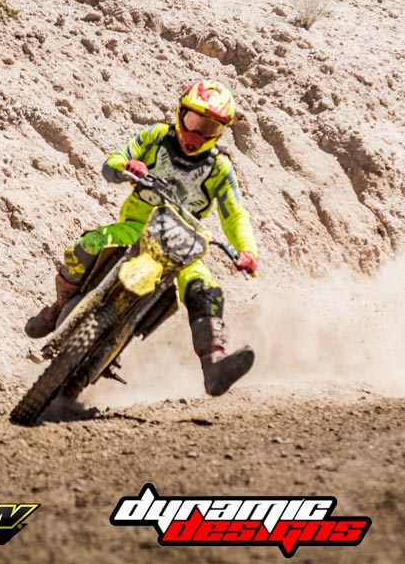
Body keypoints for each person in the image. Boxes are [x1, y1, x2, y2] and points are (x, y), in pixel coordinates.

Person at [25, 79, 259, 396]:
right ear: (180, 113)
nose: (197, 135)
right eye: (193, 122)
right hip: (137, 226)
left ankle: (213, 365)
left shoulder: (219, 167)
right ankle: (57, 308)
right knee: (86, 245)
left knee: (206, 290)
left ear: (220, 133)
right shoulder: (155, 138)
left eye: (209, 129)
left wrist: (246, 250)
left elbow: (234, 213)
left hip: (182, 244)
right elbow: (113, 162)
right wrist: (126, 166)